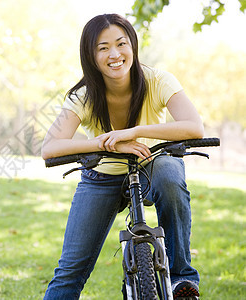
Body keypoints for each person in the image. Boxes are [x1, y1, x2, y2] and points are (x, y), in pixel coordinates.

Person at [41, 14, 204, 299]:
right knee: (70, 271)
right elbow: (50, 147)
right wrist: (108, 145)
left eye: (121, 44)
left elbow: (194, 127)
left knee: (169, 175)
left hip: (152, 162)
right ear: (91, 56)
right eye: (102, 48)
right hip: (102, 175)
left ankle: (181, 279)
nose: (114, 54)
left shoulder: (157, 80)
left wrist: (134, 132)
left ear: (133, 46)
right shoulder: (84, 95)